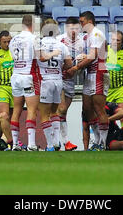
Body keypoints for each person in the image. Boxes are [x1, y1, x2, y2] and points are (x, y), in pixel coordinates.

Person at [67, 11, 110, 150]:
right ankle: (97, 140)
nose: (81, 25)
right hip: (90, 73)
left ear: (90, 22)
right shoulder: (88, 37)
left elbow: (93, 57)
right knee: (87, 109)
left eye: (82, 22)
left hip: (99, 72)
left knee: (99, 108)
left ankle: (102, 143)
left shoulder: (97, 34)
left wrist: (76, 67)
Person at [37, 19, 73, 151]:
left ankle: (50, 145)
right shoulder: (61, 45)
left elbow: (38, 59)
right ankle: (57, 141)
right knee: (55, 112)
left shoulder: (39, 43)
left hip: (45, 80)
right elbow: (69, 64)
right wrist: (59, 68)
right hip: (58, 81)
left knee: (44, 114)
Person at [9, 14, 41, 151]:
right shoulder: (34, 38)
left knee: (16, 110)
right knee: (31, 110)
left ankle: (15, 144)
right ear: (32, 24)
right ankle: (31, 144)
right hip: (29, 75)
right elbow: (41, 57)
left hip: (16, 75)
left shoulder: (13, 39)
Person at [56, 17, 85, 151]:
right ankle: (61, 141)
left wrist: (83, 58)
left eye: (75, 28)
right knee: (61, 109)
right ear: (66, 28)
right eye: (70, 28)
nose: (73, 31)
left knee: (63, 112)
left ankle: (61, 142)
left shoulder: (83, 41)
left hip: (71, 80)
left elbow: (90, 57)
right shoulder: (59, 40)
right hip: (59, 78)